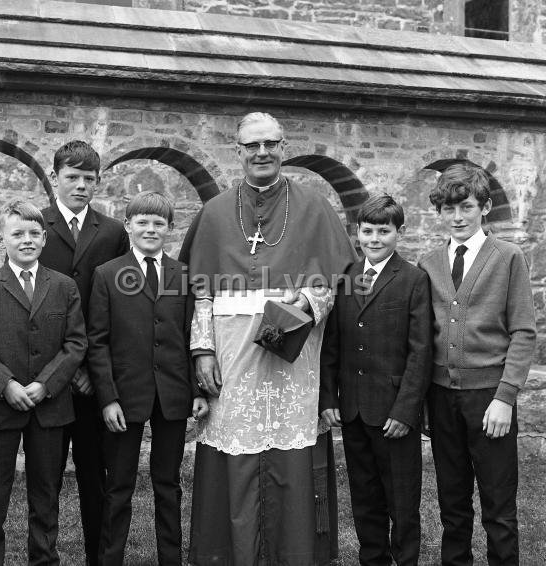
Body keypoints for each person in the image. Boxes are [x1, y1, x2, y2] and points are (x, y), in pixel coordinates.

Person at [184, 112, 357, 565]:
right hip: (231, 356)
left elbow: (330, 284)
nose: (262, 152)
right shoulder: (216, 211)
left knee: (290, 455)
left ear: (284, 147)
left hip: (293, 358)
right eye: (252, 145)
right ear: (238, 151)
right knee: (233, 451)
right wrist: (202, 351)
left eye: (270, 144)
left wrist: (303, 305)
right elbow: (201, 292)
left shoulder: (315, 205)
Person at [418, 163, 536, 566]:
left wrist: (505, 398)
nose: (457, 217)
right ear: (438, 212)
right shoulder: (429, 263)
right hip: (442, 398)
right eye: (448, 209)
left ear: (484, 207)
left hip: (489, 398)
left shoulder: (507, 257)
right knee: (452, 506)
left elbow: (523, 332)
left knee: (498, 507)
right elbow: (422, 336)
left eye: (466, 207)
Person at [0, 200, 87, 566]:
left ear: (44, 239)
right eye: (18, 234)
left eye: (34, 234)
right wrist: (7, 384)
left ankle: (43, 560)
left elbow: (76, 343)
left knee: (46, 496)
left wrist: (46, 384)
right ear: (2, 239)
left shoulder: (63, 287)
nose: (26, 240)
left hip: (50, 409)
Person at [88, 191, 208, 565]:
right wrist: (107, 398)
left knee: (168, 484)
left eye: (159, 223)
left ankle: (170, 558)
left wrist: (197, 390)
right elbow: (97, 341)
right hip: (125, 397)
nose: (150, 229)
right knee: (119, 485)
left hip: (172, 394)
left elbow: (193, 335)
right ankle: (111, 558)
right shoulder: (107, 274)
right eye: (142, 222)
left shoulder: (184, 275)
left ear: (170, 229)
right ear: (128, 226)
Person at [320, 194, 432, 566]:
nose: (375, 239)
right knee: (365, 497)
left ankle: (406, 559)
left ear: (399, 232)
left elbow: (420, 353)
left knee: (401, 500)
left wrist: (406, 411)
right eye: (367, 231)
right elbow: (331, 345)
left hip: (393, 413)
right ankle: (373, 559)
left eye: (384, 231)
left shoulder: (414, 279)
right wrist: (329, 399)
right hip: (353, 409)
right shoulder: (347, 277)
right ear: (357, 232)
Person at [39, 140, 129, 564]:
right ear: (55, 177)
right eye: (72, 177)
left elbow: (118, 304)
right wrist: (59, 369)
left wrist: (94, 369)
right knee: (46, 479)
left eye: (88, 179)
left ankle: (99, 556)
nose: (80, 186)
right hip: (49, 376)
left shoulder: (112, 232)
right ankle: (45, 554)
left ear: (97, 183)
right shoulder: (35, 225)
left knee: (96, 479)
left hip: (94, 379)